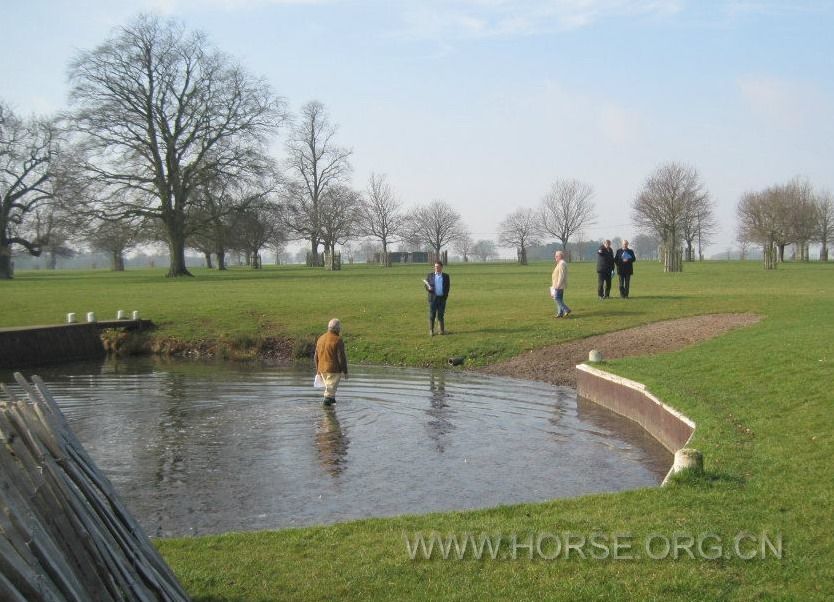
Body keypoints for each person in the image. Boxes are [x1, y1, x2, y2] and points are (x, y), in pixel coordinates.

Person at [314, 318, 349, 405]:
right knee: (329, 394)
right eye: (339, 328)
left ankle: (332, 410)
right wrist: (345, 371)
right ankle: (326, 414)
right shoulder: (338, 340)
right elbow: (341, 357)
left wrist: (318, 370)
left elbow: (315, 356)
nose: (340, 329)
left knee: (331, 392)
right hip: (333, 370)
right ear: (337, 329)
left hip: (322, 369)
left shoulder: (321, 338)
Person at [425, 260, 451, 336]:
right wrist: (428, 288)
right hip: (433, 299)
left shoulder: (446, 276)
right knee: (432, 315)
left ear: (441, 267)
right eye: (435, 267)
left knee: (440, 315)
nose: (437, 268)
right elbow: (426, 285)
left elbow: (447, 288)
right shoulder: (430, 275)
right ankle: (431, 331)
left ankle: (441, 331)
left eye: (438, 267)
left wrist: (445, 297)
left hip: (442, 299)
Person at [551, 250, 571, 318]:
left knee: (556, 298)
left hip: (559, 285)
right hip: (557, 284)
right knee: (559, 299)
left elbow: (561, 275)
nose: (555, 257)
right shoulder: (560, 263)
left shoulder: (562, 263)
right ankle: (560, 313)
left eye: (557, 256)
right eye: (555, 255)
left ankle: (566, 309)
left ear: (560, 256)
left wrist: (558, 285)